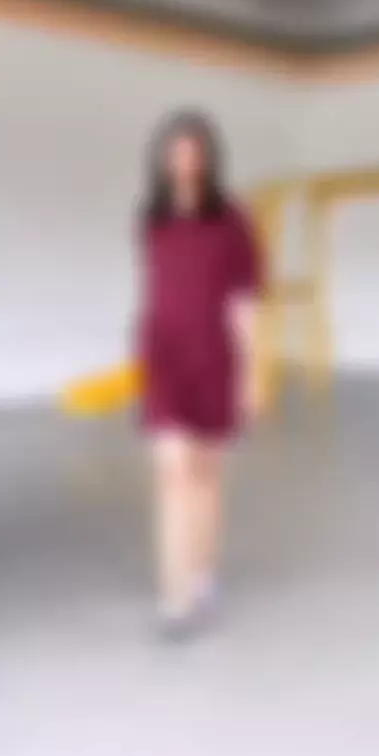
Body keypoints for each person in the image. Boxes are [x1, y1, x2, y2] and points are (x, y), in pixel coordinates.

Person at [135, 110, 263, 640]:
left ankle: (203, 572)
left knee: (206, 475)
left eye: (193, 152)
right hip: (163, 355)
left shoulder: (233, 220)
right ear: (163, 159)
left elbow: (245, 301)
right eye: (176, 152)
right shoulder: (151, 218)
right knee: (172, 471)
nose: (184, 162)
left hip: (214, 358)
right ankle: (175, 596)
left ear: (209, 159)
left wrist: (253, 373)